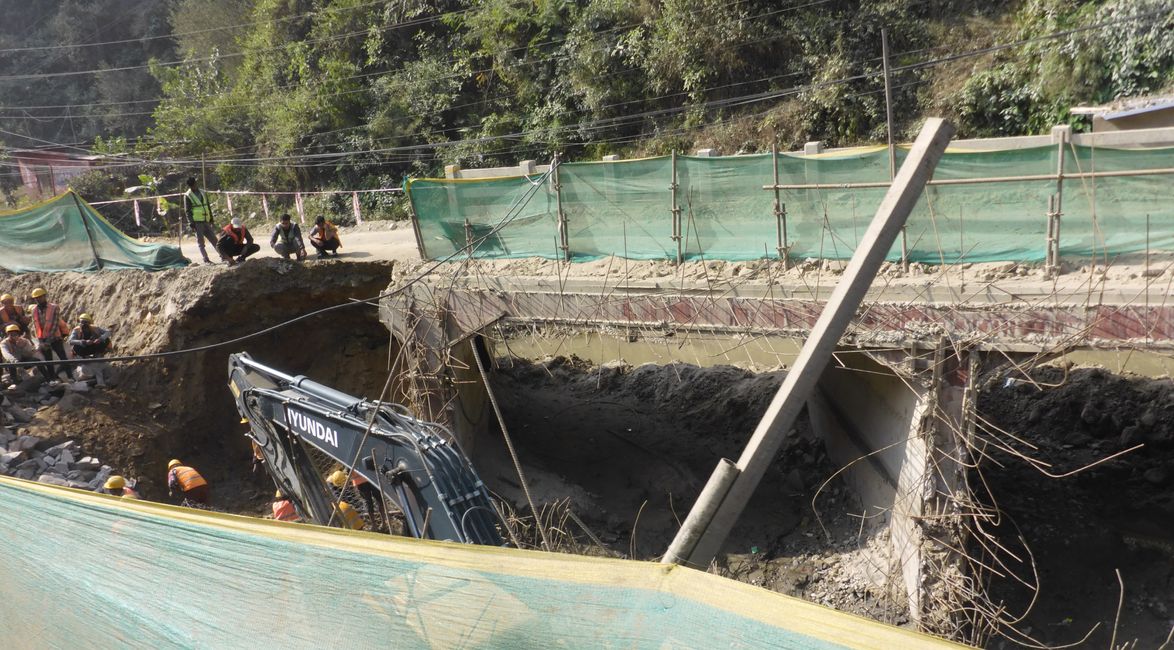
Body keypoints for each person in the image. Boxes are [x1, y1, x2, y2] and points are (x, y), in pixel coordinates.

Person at [29, 288, 71, 381]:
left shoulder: (54, 307)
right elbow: (36, 326)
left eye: (40, 297)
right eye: (36, 298)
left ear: (44, 296)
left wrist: (48, 341)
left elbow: (55, 325)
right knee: (48, 360)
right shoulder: (34, 310)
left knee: (63, 357)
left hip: (55, 337)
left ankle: (70, 376)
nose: (38, 299)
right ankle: (52, 379)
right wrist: (40, 341)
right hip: (43, 338)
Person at [68, 313, 112, 386]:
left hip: (93, 347)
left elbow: (108, 332)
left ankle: (97, 355)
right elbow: (70, 341)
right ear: (79, 322)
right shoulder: (76, 330)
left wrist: (100, 339)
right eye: (82, 322)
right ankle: (84, 360)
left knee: (106, 340)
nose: (84, 324)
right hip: (82, 350)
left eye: (86, 322)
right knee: (76, 347)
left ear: (89, 323)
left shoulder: (94, 328)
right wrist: (83, 342)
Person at [184, 177, 217, 264]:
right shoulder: (188, 195)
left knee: (214, 240)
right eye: (192, 185)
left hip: (206, 220)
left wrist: (211, 219)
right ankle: (206, 259)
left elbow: (207, 206)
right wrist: (191, 223)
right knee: (201, 243)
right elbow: (187, 211)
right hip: (197, 222)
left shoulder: (202, 192)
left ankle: (223, 256)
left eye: (194, 184)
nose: (194, 186)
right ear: (190, 186)